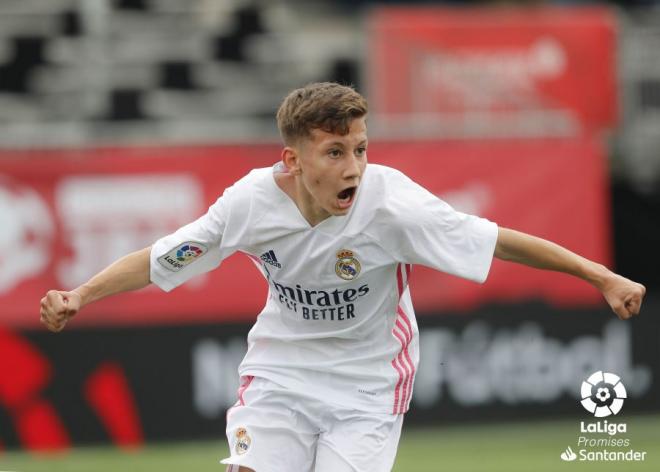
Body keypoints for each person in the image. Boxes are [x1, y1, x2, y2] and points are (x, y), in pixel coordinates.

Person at [40, 82, 646, 472]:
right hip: (282, 373)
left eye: (360, 148)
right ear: (293, 160)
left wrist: (601, 277)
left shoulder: (392, 204)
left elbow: (498, 242)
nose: (353, 166)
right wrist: (81, 295)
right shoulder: (248, 204)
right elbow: (161, 259)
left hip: (368, 387)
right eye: (335, 153)